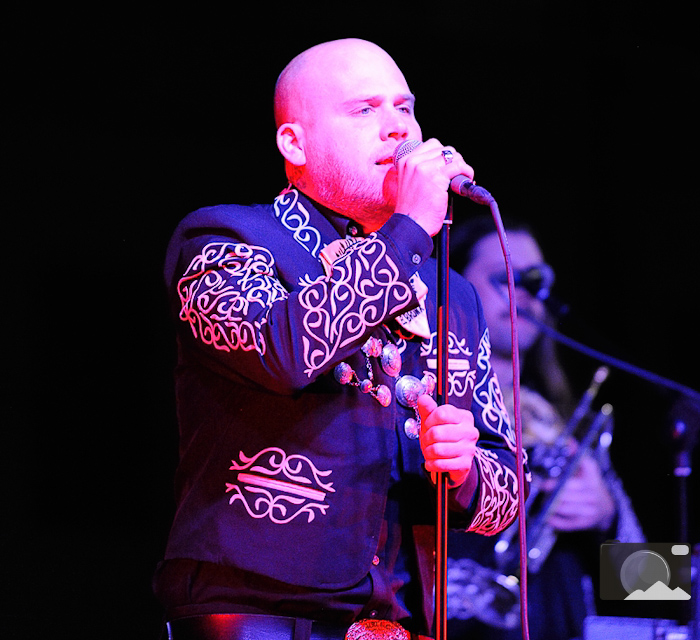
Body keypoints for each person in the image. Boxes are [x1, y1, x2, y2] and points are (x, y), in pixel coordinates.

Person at [154, 39, 526, 640]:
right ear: (293, 144)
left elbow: (507, 496)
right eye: (364, 110)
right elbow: (283, 349)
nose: (395, 130)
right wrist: (406, 231)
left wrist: (465, 470)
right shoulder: (224, 241)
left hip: (406, 623)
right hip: (257, 613)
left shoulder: (452, 292)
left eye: (405, 108)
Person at [445, 216, 644, 640]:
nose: (524, 296)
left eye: (535, 282)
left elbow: (647, 587)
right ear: (456, 286)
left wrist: (607, 516)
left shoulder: (571, 425)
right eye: (505, 278)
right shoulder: (429, 404)